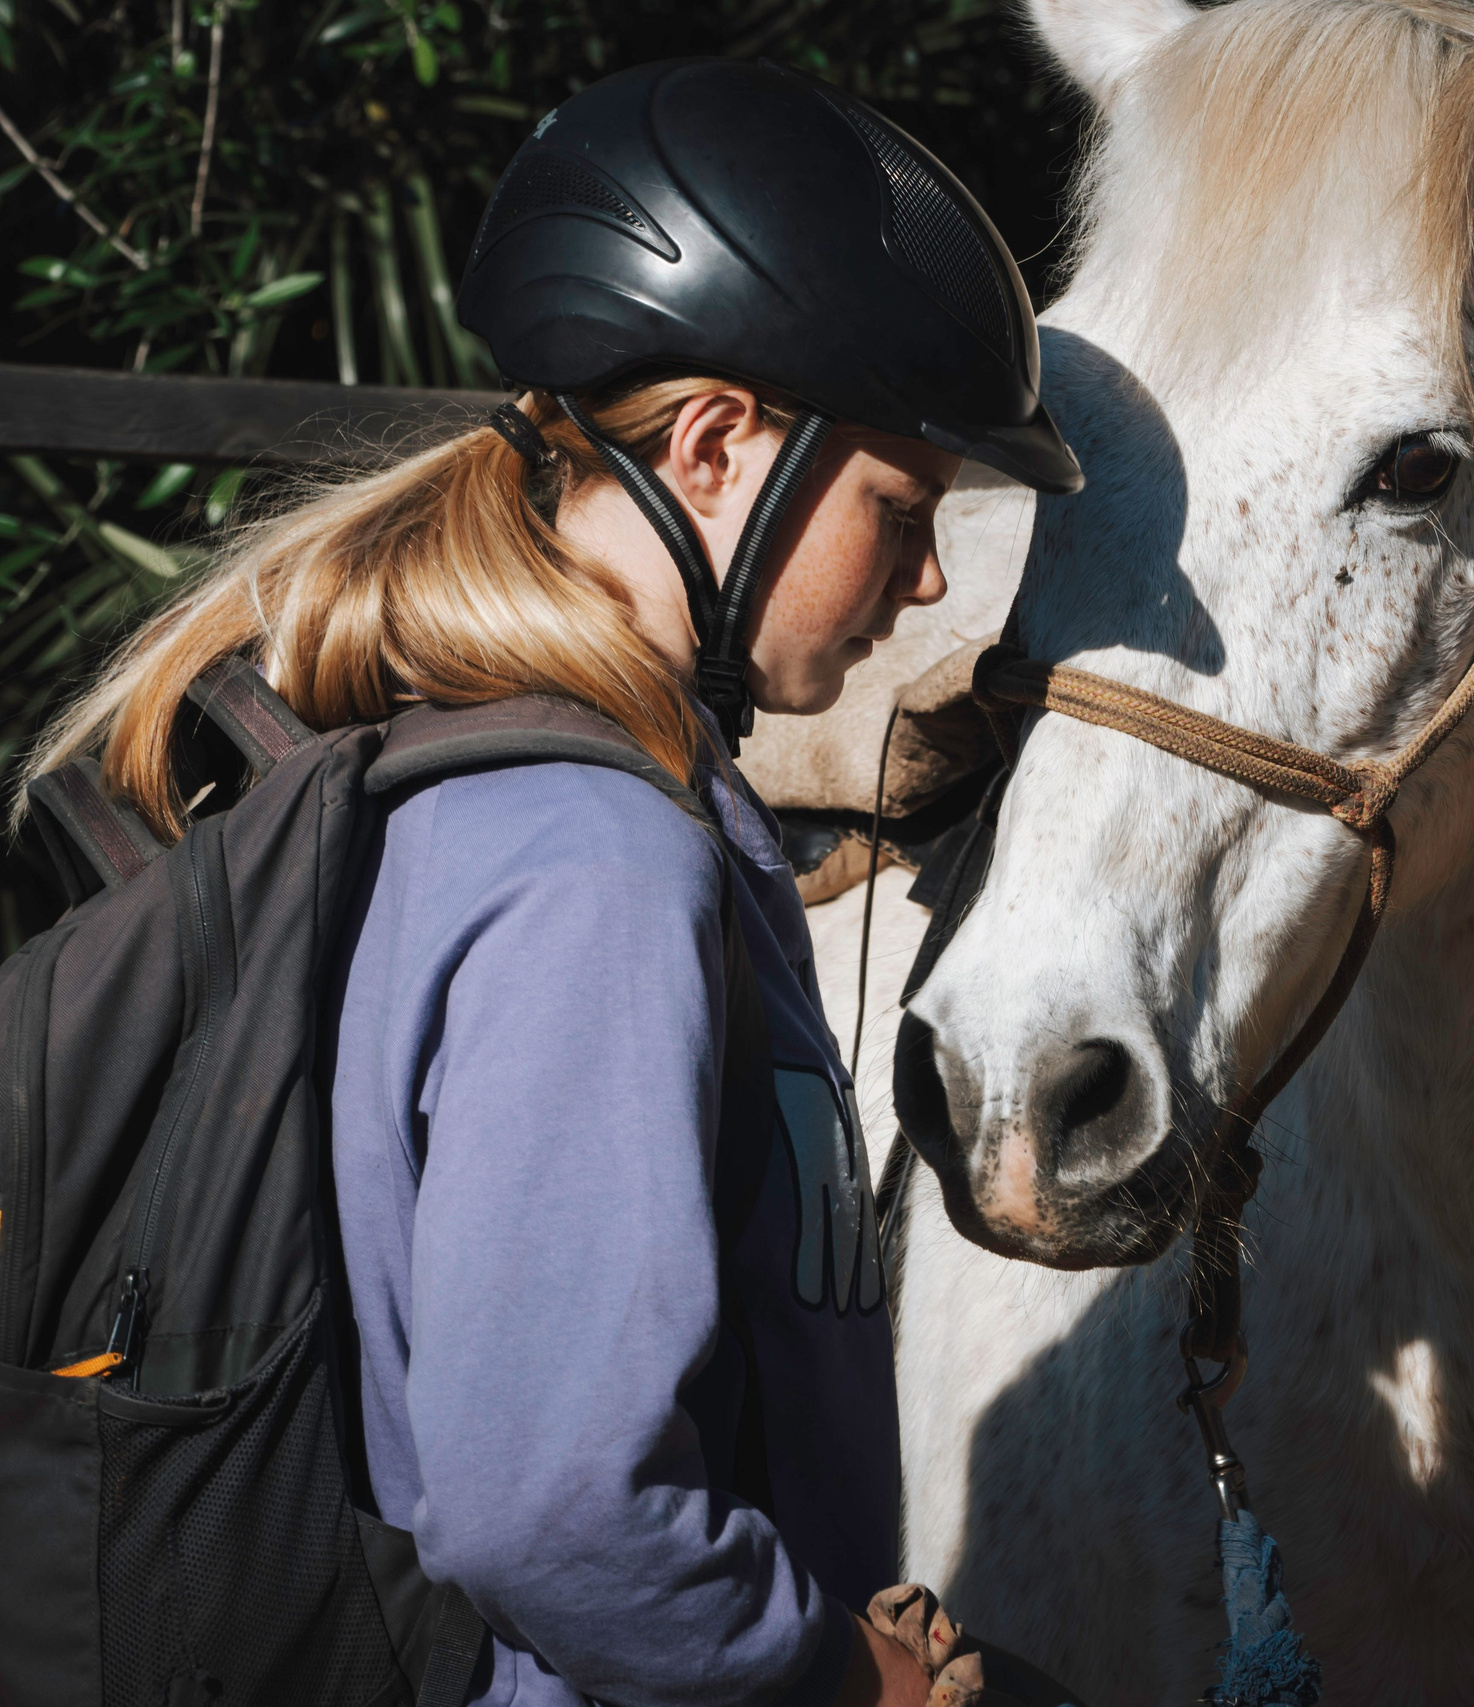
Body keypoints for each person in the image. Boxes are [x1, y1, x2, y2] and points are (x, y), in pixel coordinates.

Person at [24, 58, 1080, 1707]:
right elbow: (557, 1508)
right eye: (901, 501)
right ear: (722, 450)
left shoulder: (538, 797)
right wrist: (829, 1679)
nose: (930, 575)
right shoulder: (588, 865)